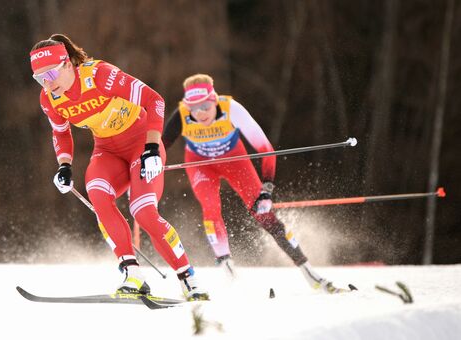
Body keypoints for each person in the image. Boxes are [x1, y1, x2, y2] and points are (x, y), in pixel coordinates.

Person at [29, 34, 209, 301]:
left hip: (141, 145)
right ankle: (133, 274)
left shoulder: (101, 75)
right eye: (40, 78)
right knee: (98, 194)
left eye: (52, 73)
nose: (48, 83)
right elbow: (61, 133)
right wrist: (64, 166)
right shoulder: (50, 99)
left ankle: (188, 278)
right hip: (107, 150)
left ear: (67, 64)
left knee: (143, 211)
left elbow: (155, 100)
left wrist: (151, 148)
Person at [162, 74, 340, 293]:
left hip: (233, 160)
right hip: (200, 164)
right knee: (210, 207)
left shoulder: (231, 108)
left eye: (206, 106)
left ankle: (309, 272)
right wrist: (149, 163)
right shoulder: (181, 115)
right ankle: (228, 270)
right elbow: (160, 146)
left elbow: (266, 149)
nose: (200, 113)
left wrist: (267, 190)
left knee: (263, 213)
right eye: (194, 108)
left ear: (214, 100)